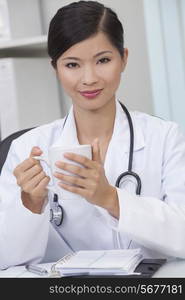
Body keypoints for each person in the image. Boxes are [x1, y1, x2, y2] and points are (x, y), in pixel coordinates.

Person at [1, 0, 185, 270]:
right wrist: (31, 205)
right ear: (56, 69)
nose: (89, 78)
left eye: (103, 60)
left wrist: (110, 198)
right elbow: (5, 259)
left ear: (124, 59)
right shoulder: (27, 148)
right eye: (72, 65)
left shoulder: (166, 138)